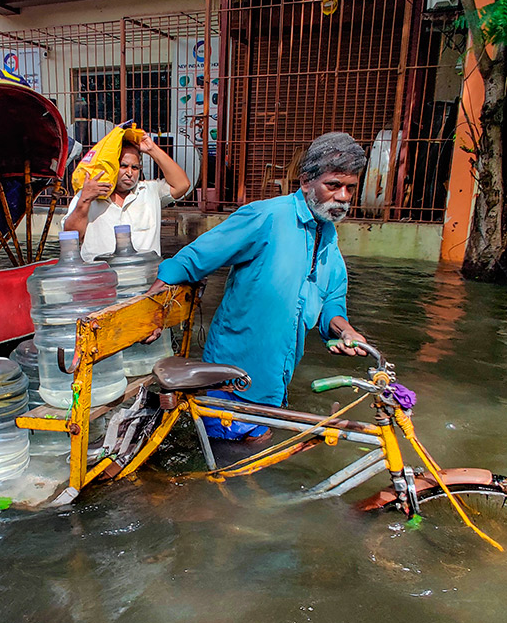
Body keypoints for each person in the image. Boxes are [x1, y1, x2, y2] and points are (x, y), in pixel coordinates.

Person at [151, 132, 370, 440]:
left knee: (255, 458)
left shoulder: (328, 237)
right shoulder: (267, 216)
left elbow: (332, 299)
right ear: (306, 181)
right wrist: (152, 306)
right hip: (231, 377)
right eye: (333, 185)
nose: (344, 196)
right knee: (225, 469)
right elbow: (196, 258)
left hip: (274, 381)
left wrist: (344, 329)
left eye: (350, 188)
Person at [63, 132, 192, 261]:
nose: (129, 173)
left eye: (135, 168)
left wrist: (152, 149)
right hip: (100, 276)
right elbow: (71, 237)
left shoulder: (149, 191)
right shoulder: (88, 195)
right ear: (112, 166)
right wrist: (85, 200)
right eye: (123, 166)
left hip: (143, 277)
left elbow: (182, 185)